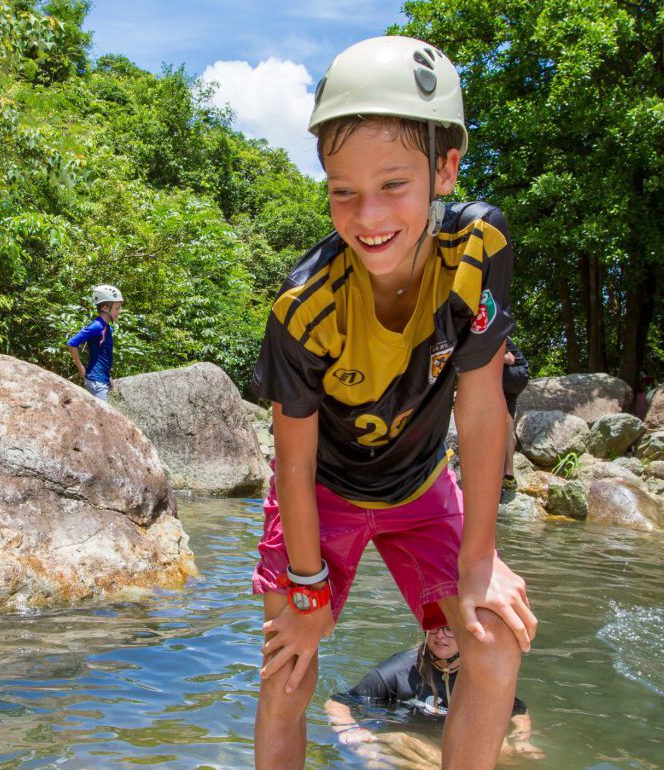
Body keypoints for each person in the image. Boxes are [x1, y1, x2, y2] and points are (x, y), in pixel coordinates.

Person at [250, 36, 535, 770]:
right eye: (343, 190)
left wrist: (480, 560)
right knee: (290, 663)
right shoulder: (303, 306)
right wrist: (308, 590)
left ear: (446, 167)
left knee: (495, 634)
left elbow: (479, 406)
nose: (367, 215)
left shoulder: (478, 246)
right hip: (322, 493)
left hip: (419, 486)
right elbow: (293, 457)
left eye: (394, 185)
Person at [325, 625, 541, 764]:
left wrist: (521, 737)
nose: (440, 635)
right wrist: (348, 729)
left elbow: (517, 710)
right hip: (409, 741)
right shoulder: (401, 669)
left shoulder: (479, 671)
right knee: (404, 751)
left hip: (458, 741)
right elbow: (339, 701)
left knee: (507, 753)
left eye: (449, 628)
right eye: (434, 628)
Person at [65, 284, 122, 401]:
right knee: (103, 417)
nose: (119, 312)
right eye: (117, 308)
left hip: (101, 379)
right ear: (105, 308)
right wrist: (81, 368)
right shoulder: (96, 326)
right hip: (96, 381)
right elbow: (71, 343)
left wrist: (107, 377)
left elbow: (102, 355)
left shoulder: (107, 328)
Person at [500, 339, 529, 500]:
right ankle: (509, 476)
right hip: (518, 376)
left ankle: (496, 472)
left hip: (514, 373)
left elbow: (509, 359)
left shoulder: (491, 329)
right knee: (507, 425)